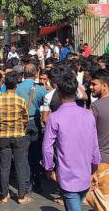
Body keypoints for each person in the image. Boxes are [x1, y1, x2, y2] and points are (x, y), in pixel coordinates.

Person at [42, 73, 100, 211]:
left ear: (59, 93)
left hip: (67, 175)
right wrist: (94, 169)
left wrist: (49, 167)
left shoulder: (54, 117)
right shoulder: (88, 115)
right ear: (76, 92)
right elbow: (94, 144)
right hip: (85, 171)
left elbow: (47, 147)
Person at [0, 72, 33, 204]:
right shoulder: (21, 101)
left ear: (5, 84)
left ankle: (4, 195)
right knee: (20, 166)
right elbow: (25, 119)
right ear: (16, 85)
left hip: (4, 136)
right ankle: (21, 196)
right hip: (19, 135)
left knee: (4, 167)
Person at [16, 63, 47, 192]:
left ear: (23, 73)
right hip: (35, 122)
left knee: (23, 155)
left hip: (21, 123)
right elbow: (46, 104)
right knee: (36, 154)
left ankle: (26, 184)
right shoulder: (40, 89)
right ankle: (37, 182)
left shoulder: (17, 88)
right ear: (36, 73)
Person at [90, 69, 109, 197]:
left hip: (101, 161)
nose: (91, 87)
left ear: (104, 86)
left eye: (94, 84)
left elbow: (88, 133)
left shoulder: (95, 106)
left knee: (103, 200)